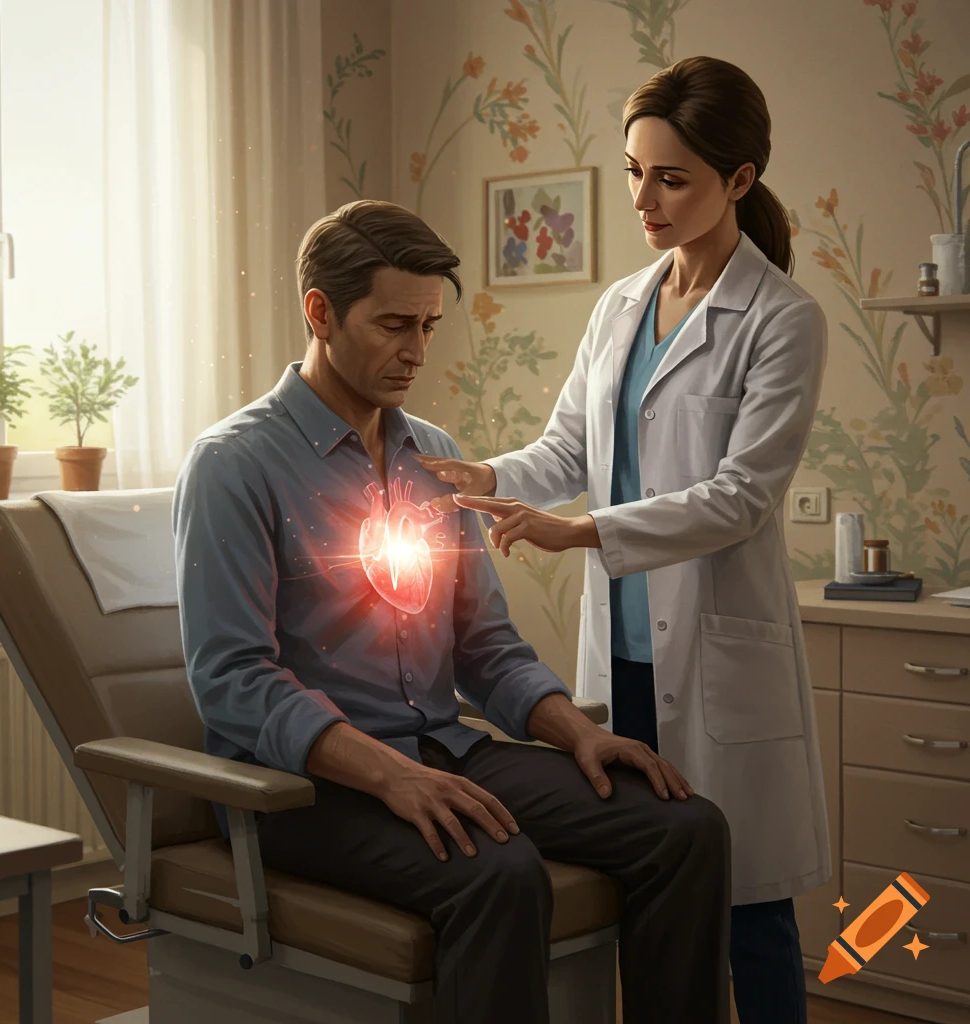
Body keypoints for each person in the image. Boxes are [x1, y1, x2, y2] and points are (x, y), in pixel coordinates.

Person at [171, 199, 732, 1024]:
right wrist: (391, 775)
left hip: (446, 747)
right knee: (498, 873)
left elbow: (485, 644)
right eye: (396, 324)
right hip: (303, 790)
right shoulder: (233, 464)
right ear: (319, 313)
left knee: (685, 830)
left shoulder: (429, 454)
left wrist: (582, 734)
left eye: (430, 325)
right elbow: (231, 679)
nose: (417, 351)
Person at [417, 56, 830, 1024]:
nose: (644, 198)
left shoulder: (781, 318)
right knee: (651, 886)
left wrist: (581, 532)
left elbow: (739, 497)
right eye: (635, 171)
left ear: (738, 181)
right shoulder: (618, 305)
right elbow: (567, 446)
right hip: (623, 660)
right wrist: (487, 475)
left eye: (672, 177)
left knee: (750, 908)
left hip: (720, 653)